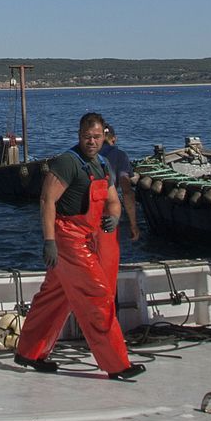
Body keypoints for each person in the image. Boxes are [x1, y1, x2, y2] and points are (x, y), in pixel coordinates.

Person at [13, 112, 143, 379]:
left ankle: (29, 352)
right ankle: (116, 364)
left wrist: (116, 216)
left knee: (55, 296)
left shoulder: (103, 165)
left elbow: (112, 199)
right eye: (87, 137)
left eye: (96, 137)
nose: (91, 142)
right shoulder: (67, 163)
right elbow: (47, 201)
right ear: (79, 136)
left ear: (104, 136)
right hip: (67, 238)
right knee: (97, 295)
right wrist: (49, 241)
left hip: (89, 236)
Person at [97, 122, 139, 294]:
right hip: (107, 219)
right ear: (113, 139)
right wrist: (133, 223)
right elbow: (126, 190)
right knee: (107, 272)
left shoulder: (85, 154)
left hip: (83, 220)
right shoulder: (120, 156)